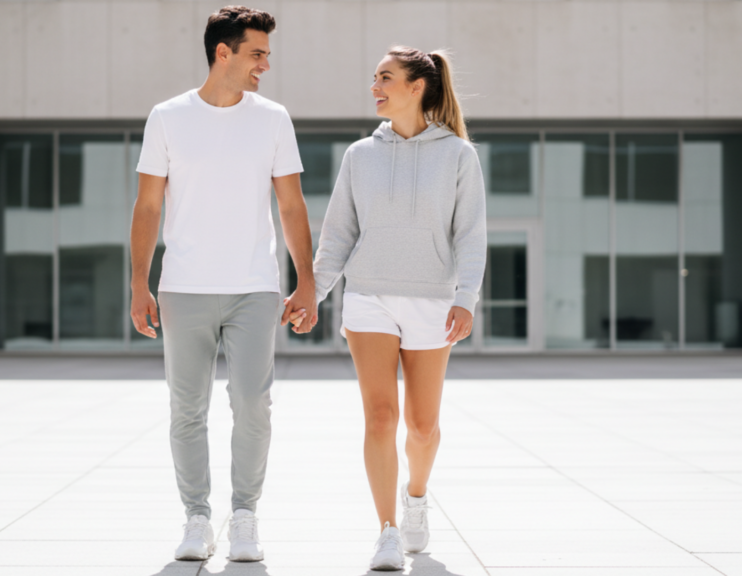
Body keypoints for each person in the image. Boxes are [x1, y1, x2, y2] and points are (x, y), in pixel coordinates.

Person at [129, 5, 317, 564]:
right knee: (187, 408)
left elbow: (291, 204)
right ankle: (196, 518)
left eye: (266, 54)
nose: (265, 64)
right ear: (223, 52)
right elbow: (147, 205)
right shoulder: (167, 117)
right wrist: (140, 284)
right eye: (257, 53)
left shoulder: (273, 118)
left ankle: (244, 517)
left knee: (253, 405)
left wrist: (306, 282)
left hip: (255, 288)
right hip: (182, 287)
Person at [312, 46, 487, 571]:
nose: (375, 87)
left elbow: (471, 234)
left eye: (385, 78)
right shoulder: (359, 155)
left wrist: (465, 299)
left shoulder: (457, 154)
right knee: (380, 418)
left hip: (432, 299)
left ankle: (415, 497)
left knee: (422, 425)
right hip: (368, 297)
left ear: (417, 87)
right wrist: (311, 293)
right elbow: (338, 232)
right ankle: (387, 529)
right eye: (374, 78)